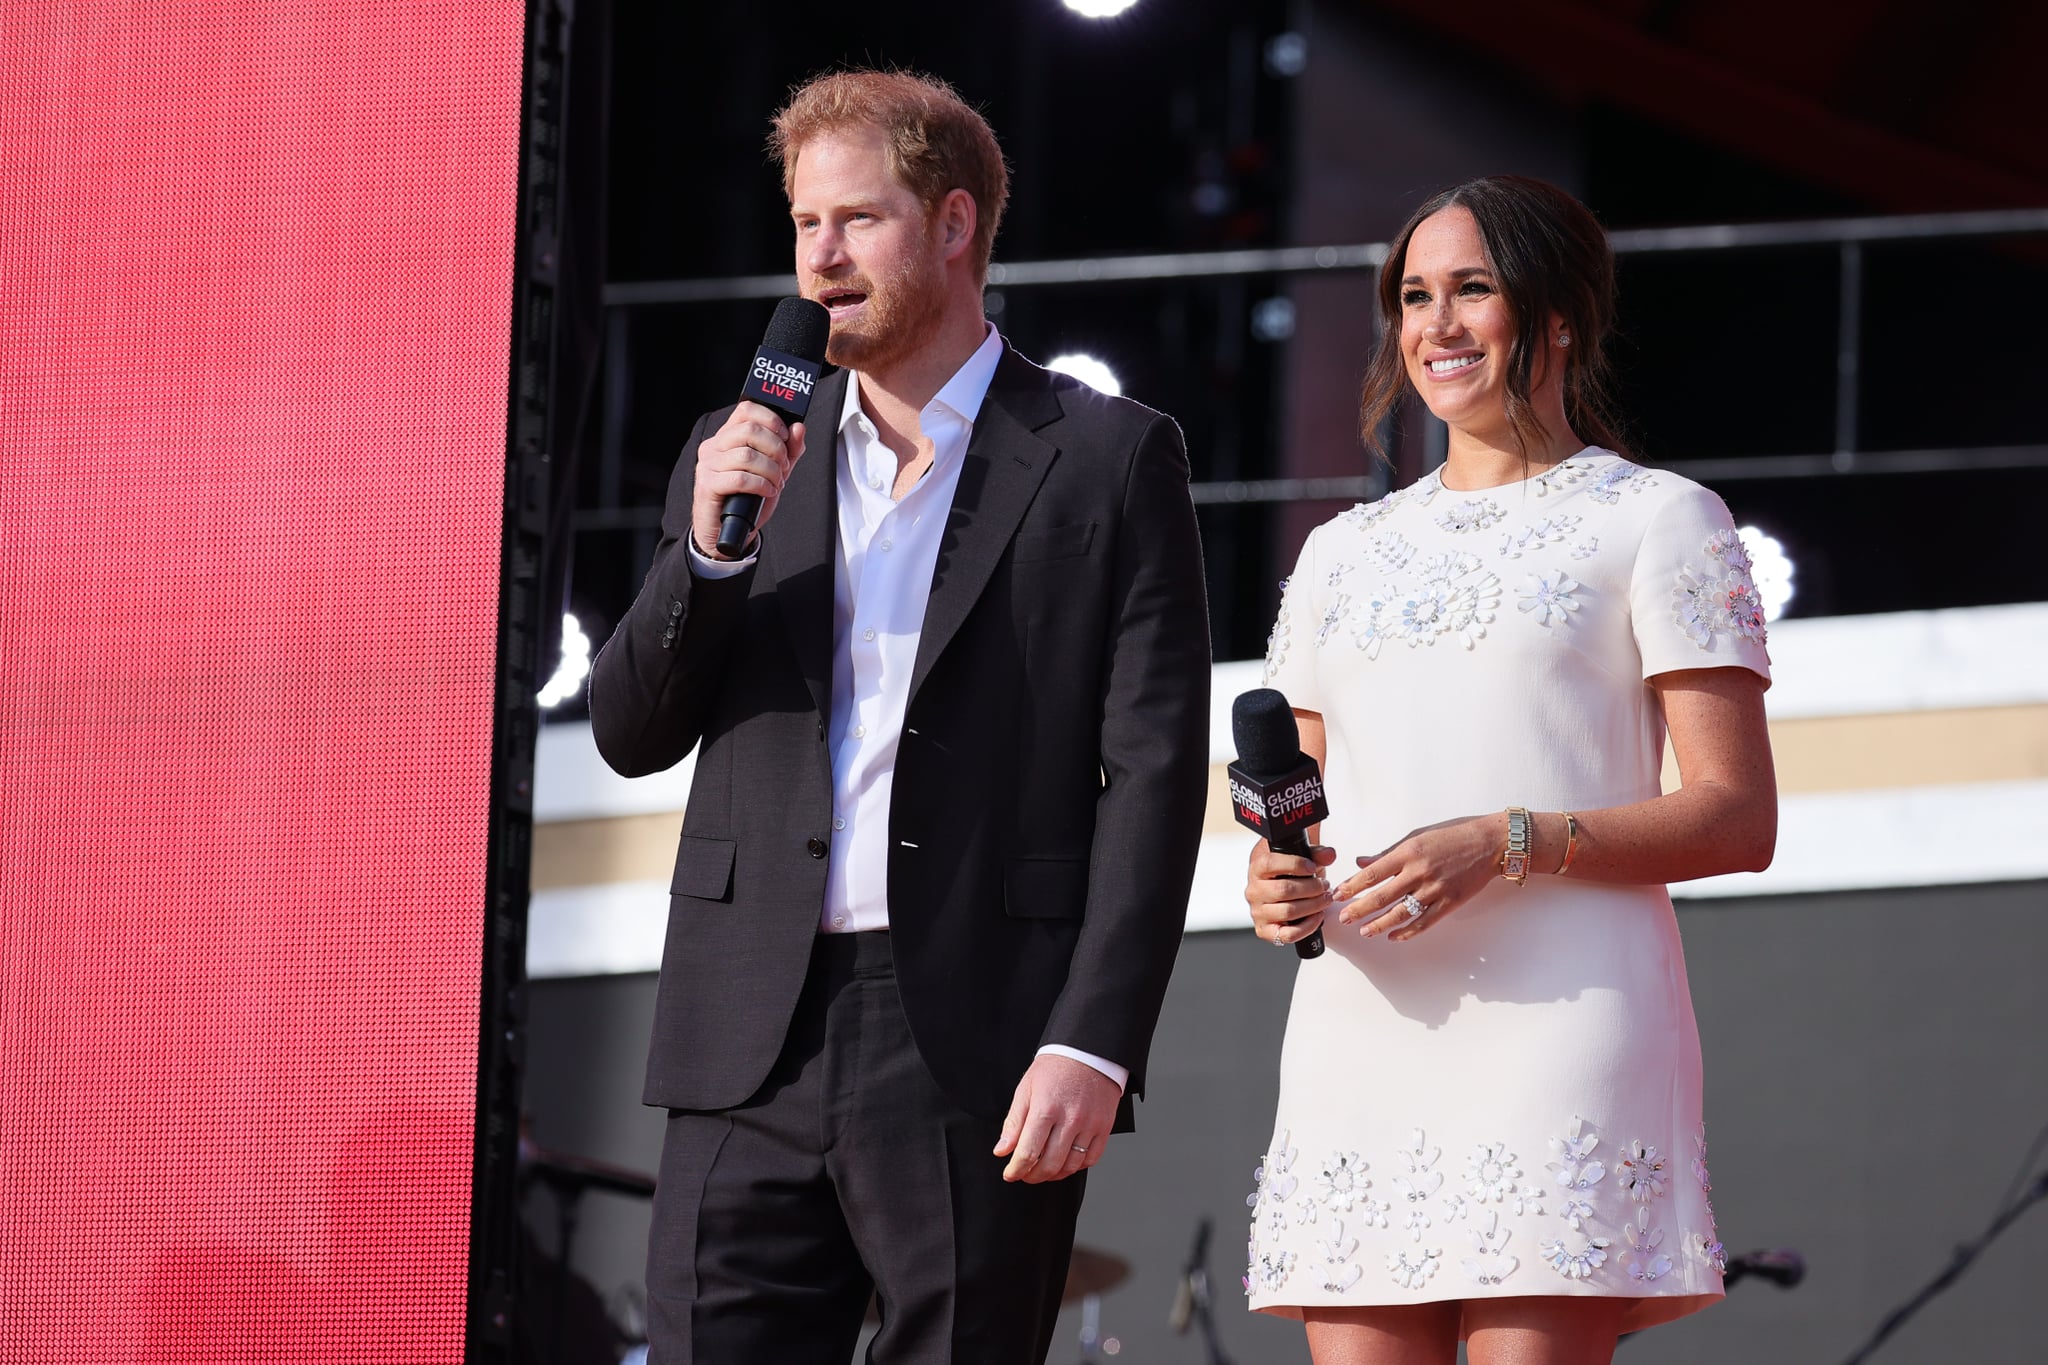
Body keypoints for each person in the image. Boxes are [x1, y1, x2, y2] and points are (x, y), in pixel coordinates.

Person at [587, 69, 1211, 1365]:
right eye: (804, 225)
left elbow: (1153, 772)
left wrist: (1093, 1039)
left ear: (953, 223)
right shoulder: (741, 449)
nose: (820, 257)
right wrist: (704, 557)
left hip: (972, 1031)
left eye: (857, 220)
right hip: (742, 1030)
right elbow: (633, 731)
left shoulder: (1105, 454)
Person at [1241, 175, 1776, 1365]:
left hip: (1565, 1027)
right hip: (1362, 1023)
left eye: (1471, 289)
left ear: (1560, 314)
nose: (1434, 325)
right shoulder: (1342, 552)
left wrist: (1506, 840)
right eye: (1413, 296)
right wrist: (1273, 888)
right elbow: (1296, 815)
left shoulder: (1658, 519)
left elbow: (1735, 819)